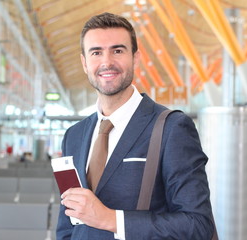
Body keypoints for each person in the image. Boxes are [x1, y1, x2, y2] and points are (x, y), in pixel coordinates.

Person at [56, 12, 215, 239]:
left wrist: (111, 220)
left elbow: (198, 224)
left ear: (136, 58)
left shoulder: (171, 128)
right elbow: (67, 222)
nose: (106, 62)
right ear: (84, 62)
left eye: (118, 51)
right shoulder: (74, 135)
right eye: (96, 52)